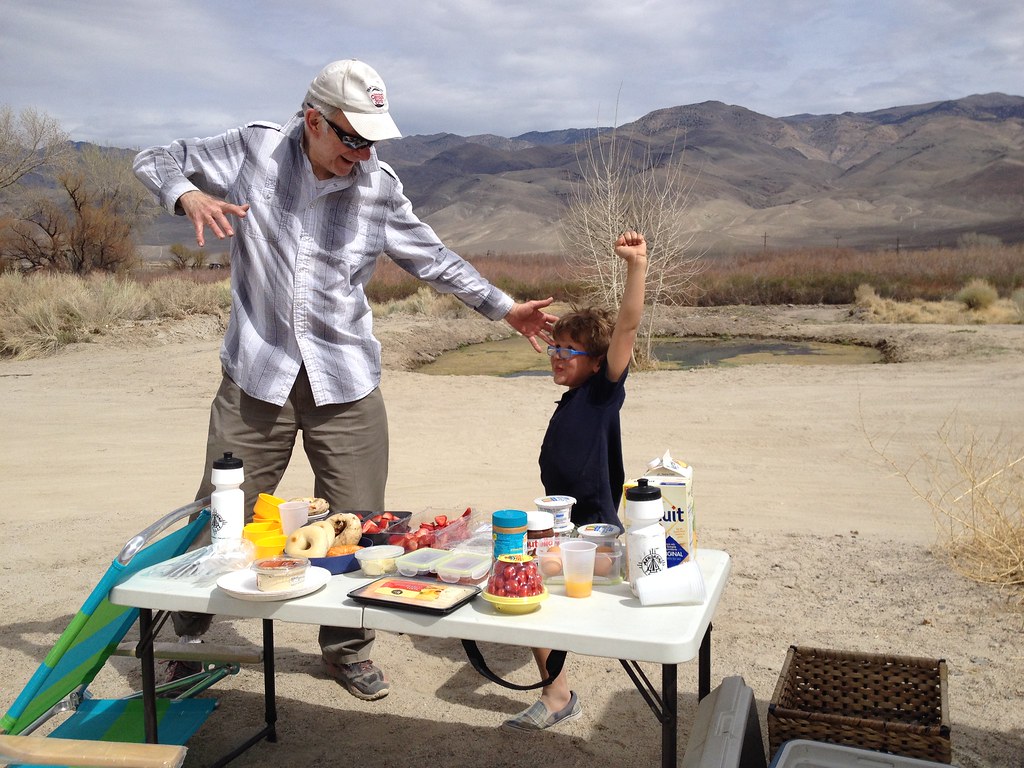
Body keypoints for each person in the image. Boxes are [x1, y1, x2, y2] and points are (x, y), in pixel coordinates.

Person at [133, 59, 556, 702]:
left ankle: (346, 648)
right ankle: (184, 639)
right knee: (223, 519)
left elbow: (433, 258)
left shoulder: (378, 186)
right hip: (257, 374)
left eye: (372, 141)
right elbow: (154, 158)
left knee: (359, 524)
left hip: (345, 379)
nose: (362, 154)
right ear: (314, 121)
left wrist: (504, 308)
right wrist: (185, 194)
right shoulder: (253, 151)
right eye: (352, 139)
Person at [503, 230, 648, 731]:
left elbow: (627, 326)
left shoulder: (603, 393)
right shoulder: (569, 399)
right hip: (562, 528)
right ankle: (558, 692)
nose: (558, 356)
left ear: (597, 361)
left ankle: (558, 695)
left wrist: (636, 266)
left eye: (571, 350)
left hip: (596, 534)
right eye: (555, 347)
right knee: (522, 581)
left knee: (530, 586)